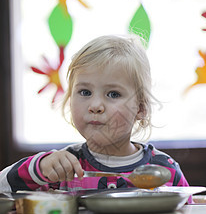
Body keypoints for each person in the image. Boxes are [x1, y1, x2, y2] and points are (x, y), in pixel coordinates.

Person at [0, 34, 190, 201]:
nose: (95, 106)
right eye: (84, 92)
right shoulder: (62, 167)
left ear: (140, 108)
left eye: (113, 94)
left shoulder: (165, 170)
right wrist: (39, 168)